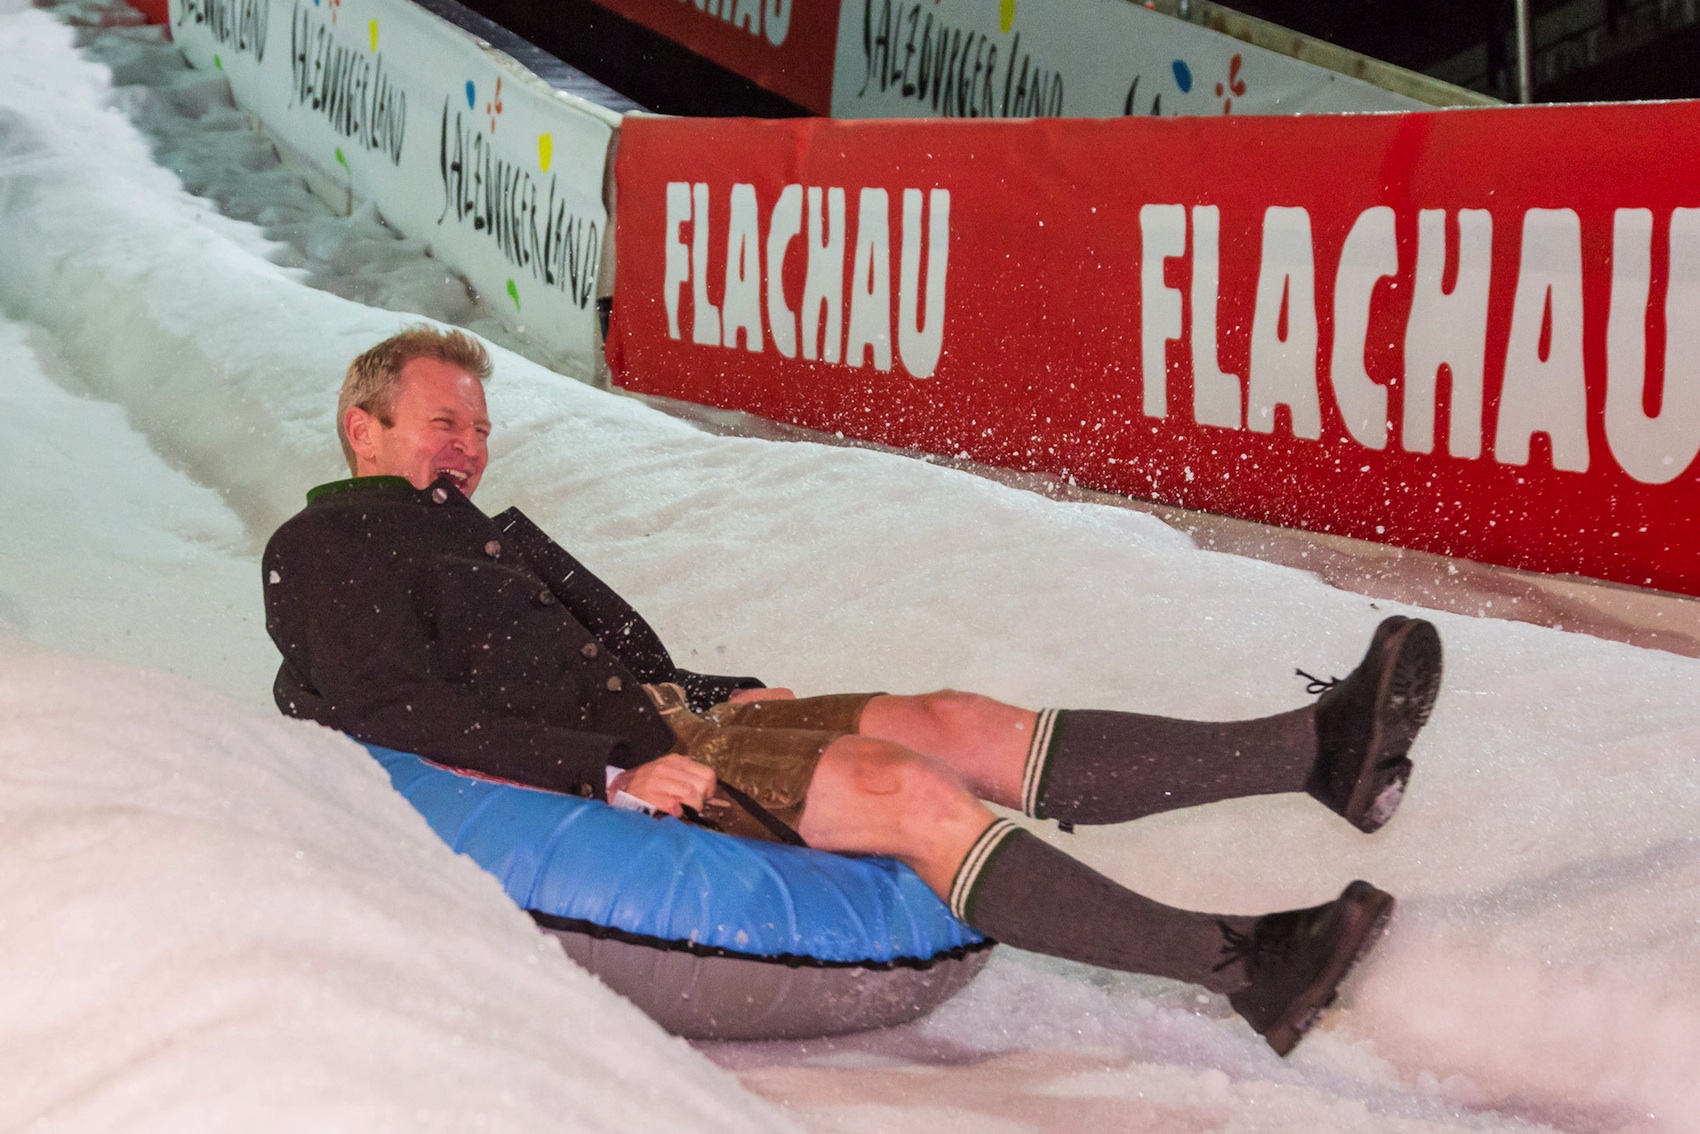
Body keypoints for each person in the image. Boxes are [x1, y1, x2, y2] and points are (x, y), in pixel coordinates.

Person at [263, 326, 1443, 1056]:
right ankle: (1243, 966)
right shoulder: (331, 545)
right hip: (629, 755)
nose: (469, 446)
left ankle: (1314, 751)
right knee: (906, 791)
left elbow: (622, 658)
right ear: (363, 428)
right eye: (443, 422)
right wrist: (608, 772)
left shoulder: (480, 533)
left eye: (479, 426)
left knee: (952, 721)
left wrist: (720, 694)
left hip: (676, 720)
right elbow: (391, 706)